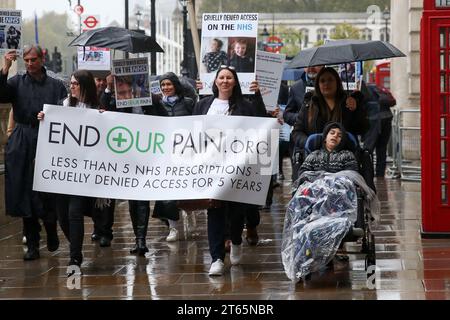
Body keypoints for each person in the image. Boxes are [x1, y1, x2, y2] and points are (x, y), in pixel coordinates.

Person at [193, 66, 266, 276]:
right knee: (214, 210)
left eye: (229, 78)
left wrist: (258, 94)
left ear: (235, 82)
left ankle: (235, 241)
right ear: (215, 82)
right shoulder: (203, 104)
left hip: (238, 166)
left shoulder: (245, 106)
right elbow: (191, 131)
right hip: (210, 167)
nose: (225, 81)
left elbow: (261, 123)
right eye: (221, 77)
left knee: (236, 212)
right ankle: (216, 258)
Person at [0, 46, 67, 260]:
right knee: (23, 191)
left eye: (33, 59)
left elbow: (67, 111)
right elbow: (1, 96)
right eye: (27, 60)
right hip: (22, 140)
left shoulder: (56, 86)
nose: (30, 63)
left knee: (46, 191)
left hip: (47, 139)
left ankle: (50, 228)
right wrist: (5, 68)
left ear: (42, 59)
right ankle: (32, 243)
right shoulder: (16, 82)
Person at [37, 70, 99, 272]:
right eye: (70, 83)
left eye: (75, 83)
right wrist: (44, 118)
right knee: (62, 214)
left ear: (85, 86)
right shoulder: (63, 105)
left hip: (82, 171)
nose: (71, 86)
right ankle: (75, 246)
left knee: (74, 213)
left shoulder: (95, 109)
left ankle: (75, 256)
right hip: (63, 169)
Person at [291, 67, 368, 181]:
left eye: (330, 80)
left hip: (343, 164)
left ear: (337, 82)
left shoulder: (348, 102)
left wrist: (356, 109)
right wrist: (310, 142)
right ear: (318, 84)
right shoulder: (309, 104)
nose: (326, 83)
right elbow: (297, 132)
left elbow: (363, 128)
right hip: (315, 163)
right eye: (322, 81)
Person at [151, 72, 195, 242]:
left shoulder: (188, 103)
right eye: (163, 85)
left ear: (175, 85)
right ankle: (173, 228)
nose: (166, 88)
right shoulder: (157, 104)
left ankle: (189, 213)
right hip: (166, 154)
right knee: (168, 190)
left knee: (186, 189)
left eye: (169, 84)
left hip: (186, 153)